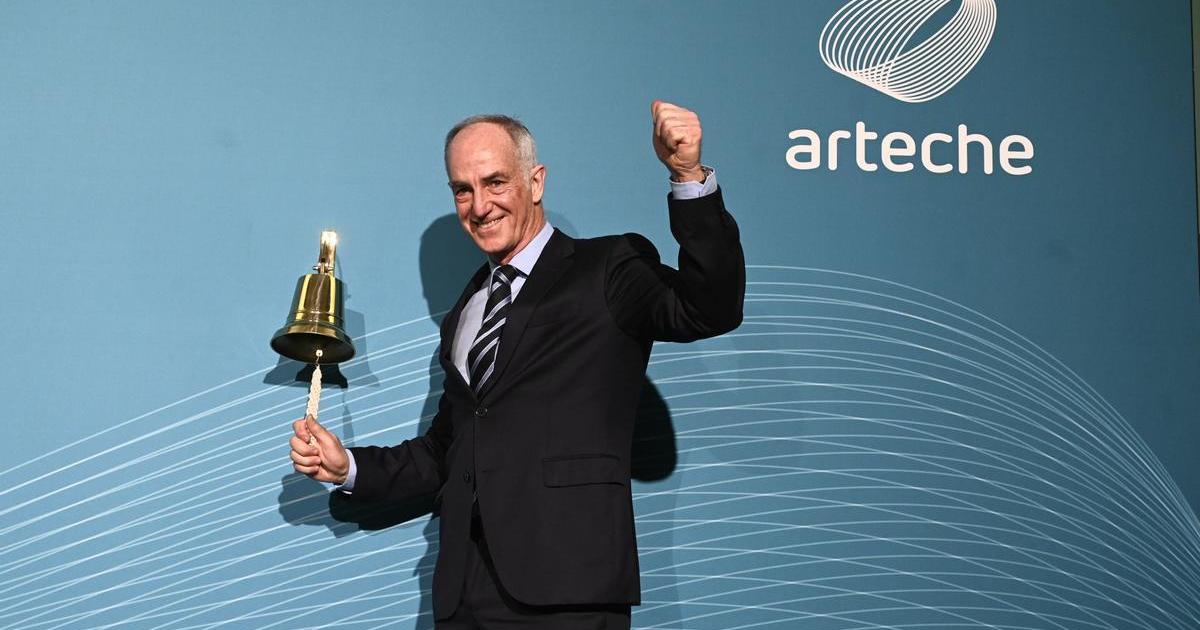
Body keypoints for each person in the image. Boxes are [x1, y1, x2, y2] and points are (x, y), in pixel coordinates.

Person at [290, 100, 745, 628]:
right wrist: (348, 467)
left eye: (495, 182)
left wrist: (687, 176)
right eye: (463, 189)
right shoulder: (467, 310)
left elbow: (709, 308)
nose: (479, 205)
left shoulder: (607, 267)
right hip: (463, 594)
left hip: (568, 590)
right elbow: (447, 449)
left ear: (536, 181)